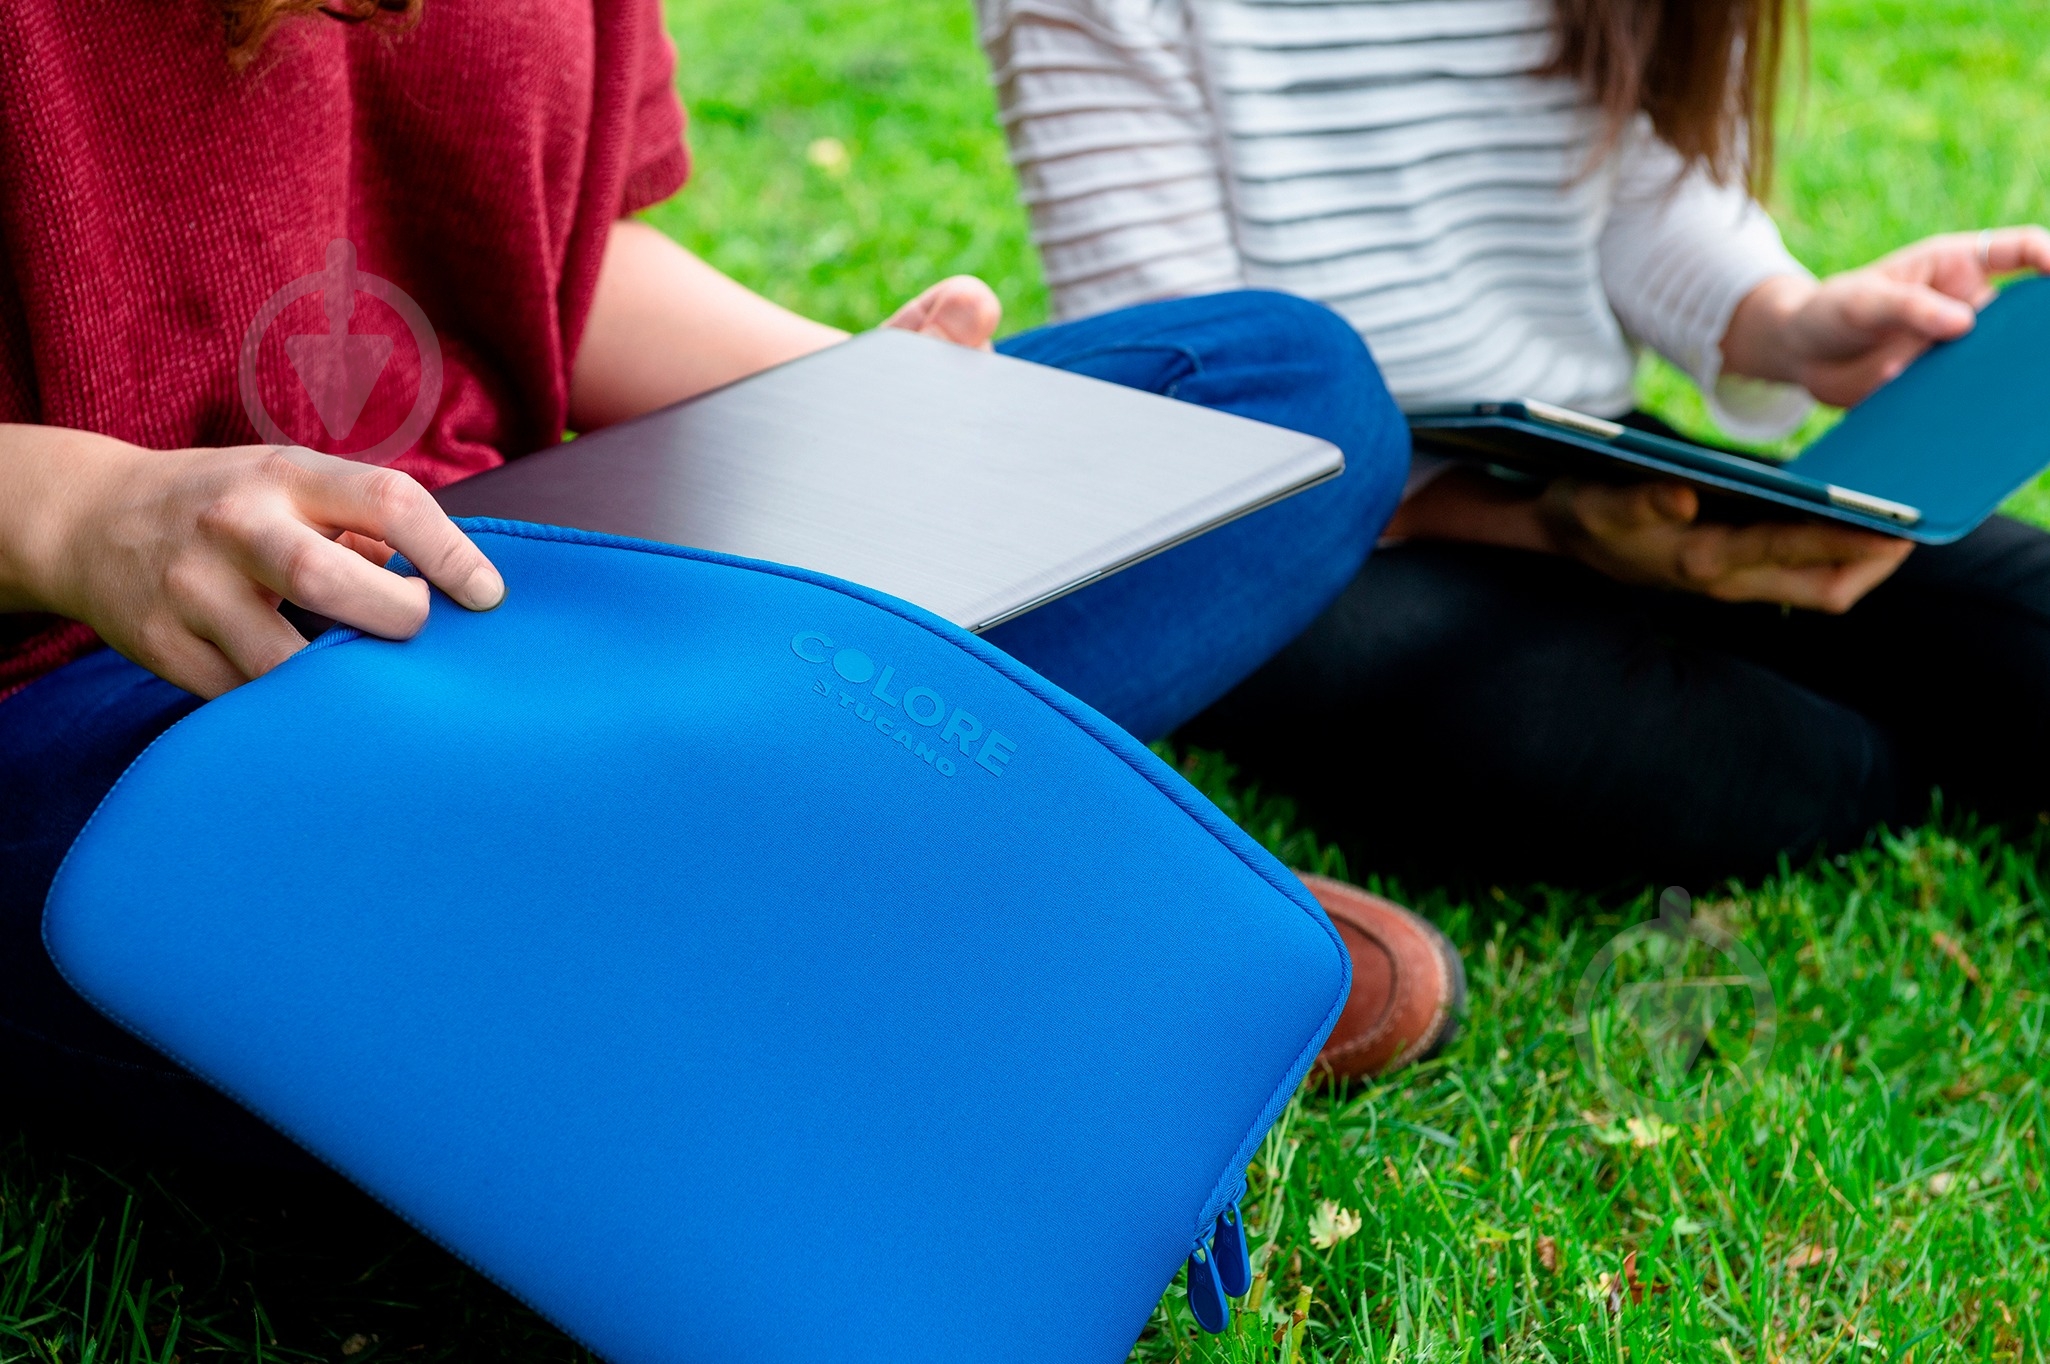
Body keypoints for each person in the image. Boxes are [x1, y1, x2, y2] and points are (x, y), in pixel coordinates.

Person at [0, 0, 1451, 1155]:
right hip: (121, 694)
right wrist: (85, 514)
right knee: (234, 867)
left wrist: (852, 400)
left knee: (1279, 389)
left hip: (523, 586)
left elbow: (562, 259)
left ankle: (766, 919)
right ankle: (991, 914)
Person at [979, 0, 2050, 885]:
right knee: (1622, 747)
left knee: (2015, 608)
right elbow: (1202, 421)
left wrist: (1793, 326)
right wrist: (1546, 531)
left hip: (1590, 457)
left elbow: (1636, 197)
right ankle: (1914, 761)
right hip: (1296, 533)